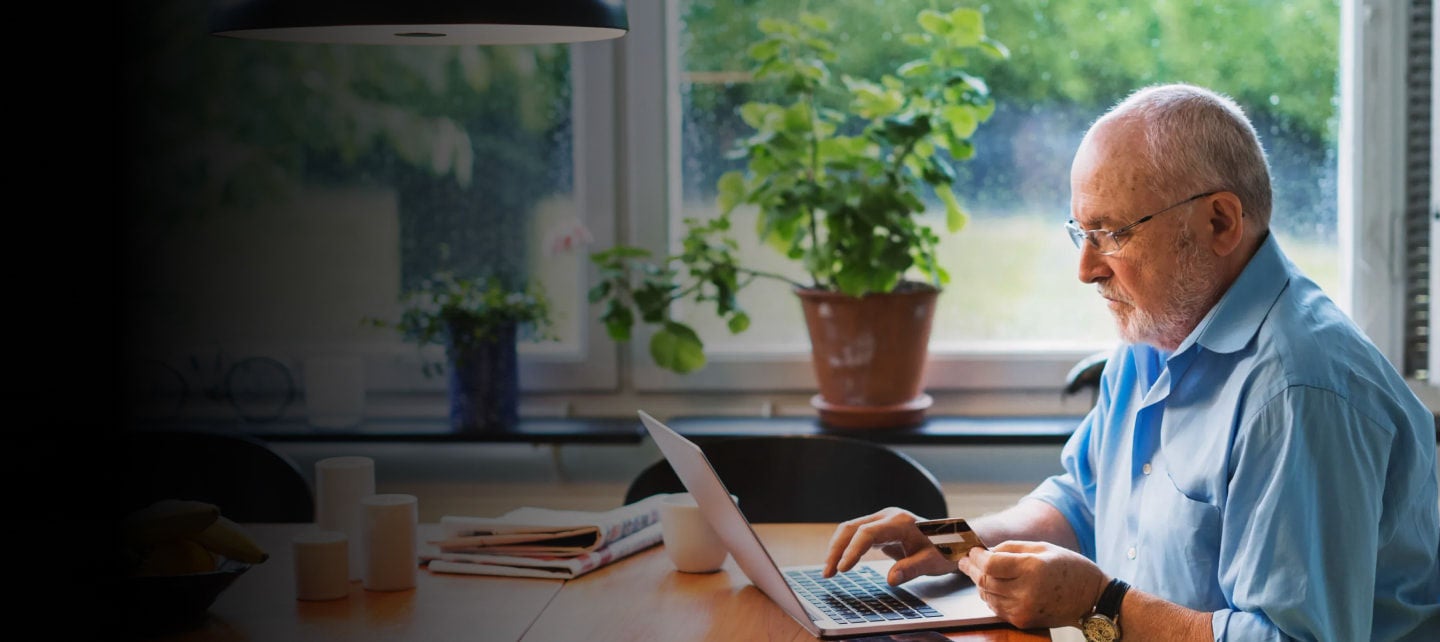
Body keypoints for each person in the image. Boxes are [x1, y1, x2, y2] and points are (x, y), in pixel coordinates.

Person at [823, 83, 1440, 641]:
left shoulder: (1298, 393)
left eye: (1112, 233)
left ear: (1219, 222)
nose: (1086, 269)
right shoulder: (1159, 332)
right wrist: (948, 543)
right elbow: (1081, 502)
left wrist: (1101, 605)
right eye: (1080, 232)